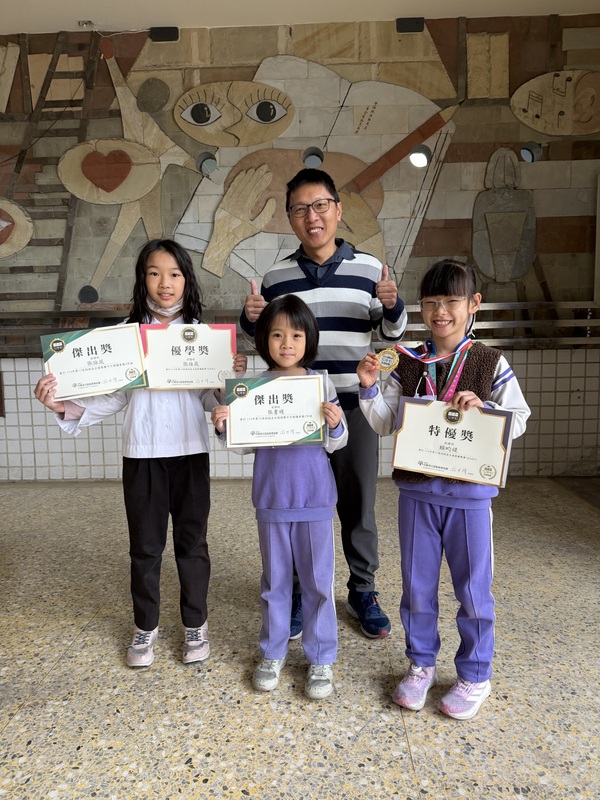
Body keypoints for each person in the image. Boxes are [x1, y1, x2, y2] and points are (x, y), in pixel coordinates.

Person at [34, 239, 246, 669]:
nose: (164, 283)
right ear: (142, 279)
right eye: (154, 273)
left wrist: (227, 384)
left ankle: (195, 624)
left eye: (174, 274)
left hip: (190, 452)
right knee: (145, 548)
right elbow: (114, 396)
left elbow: (210, 399)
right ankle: (145, 627)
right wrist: (61, 405)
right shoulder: (125, 337)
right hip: (142, 453)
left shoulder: (205, 337)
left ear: (186, 280)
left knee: (192, 544)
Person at [357, 259, 530, 720]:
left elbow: (519, 420)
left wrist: (486, 408)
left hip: (469, 498)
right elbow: (384, 423)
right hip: (417, 495)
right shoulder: (407, 360)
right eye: (431, 302)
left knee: (473, 589)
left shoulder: (490, 361)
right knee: (416, 587)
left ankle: (475, 673)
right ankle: (421, 664)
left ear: (473, 304)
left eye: (452, 301)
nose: (441, 312)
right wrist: (369, 389)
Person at [240, 168, 407, 640]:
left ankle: (362, 590)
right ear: (289, 217)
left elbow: (390, 335)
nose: (311, 217)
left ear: (337, 209)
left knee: (359, 504)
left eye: (320, 206)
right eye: (300, 209)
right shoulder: (275, 277)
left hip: (351, 406)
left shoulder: (370, 270)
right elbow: (266, 342)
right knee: (296, 504)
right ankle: (296, 592)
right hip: (294, 412)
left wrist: (392, 305)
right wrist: (249, 318)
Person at [212, 294, 348, 699]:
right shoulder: (252, 388)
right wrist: (224, 425)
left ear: (309, 339)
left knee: (318, 583)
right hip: (272, 499)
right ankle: (272, 652)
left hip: (315, 500)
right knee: (275, 583)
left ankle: (321, 658)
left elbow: (337, 442)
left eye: (296, 335)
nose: (286, 343)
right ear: (263, 339)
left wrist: (336, 424)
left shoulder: (321, 384)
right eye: (276, 335)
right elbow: (242, 446)